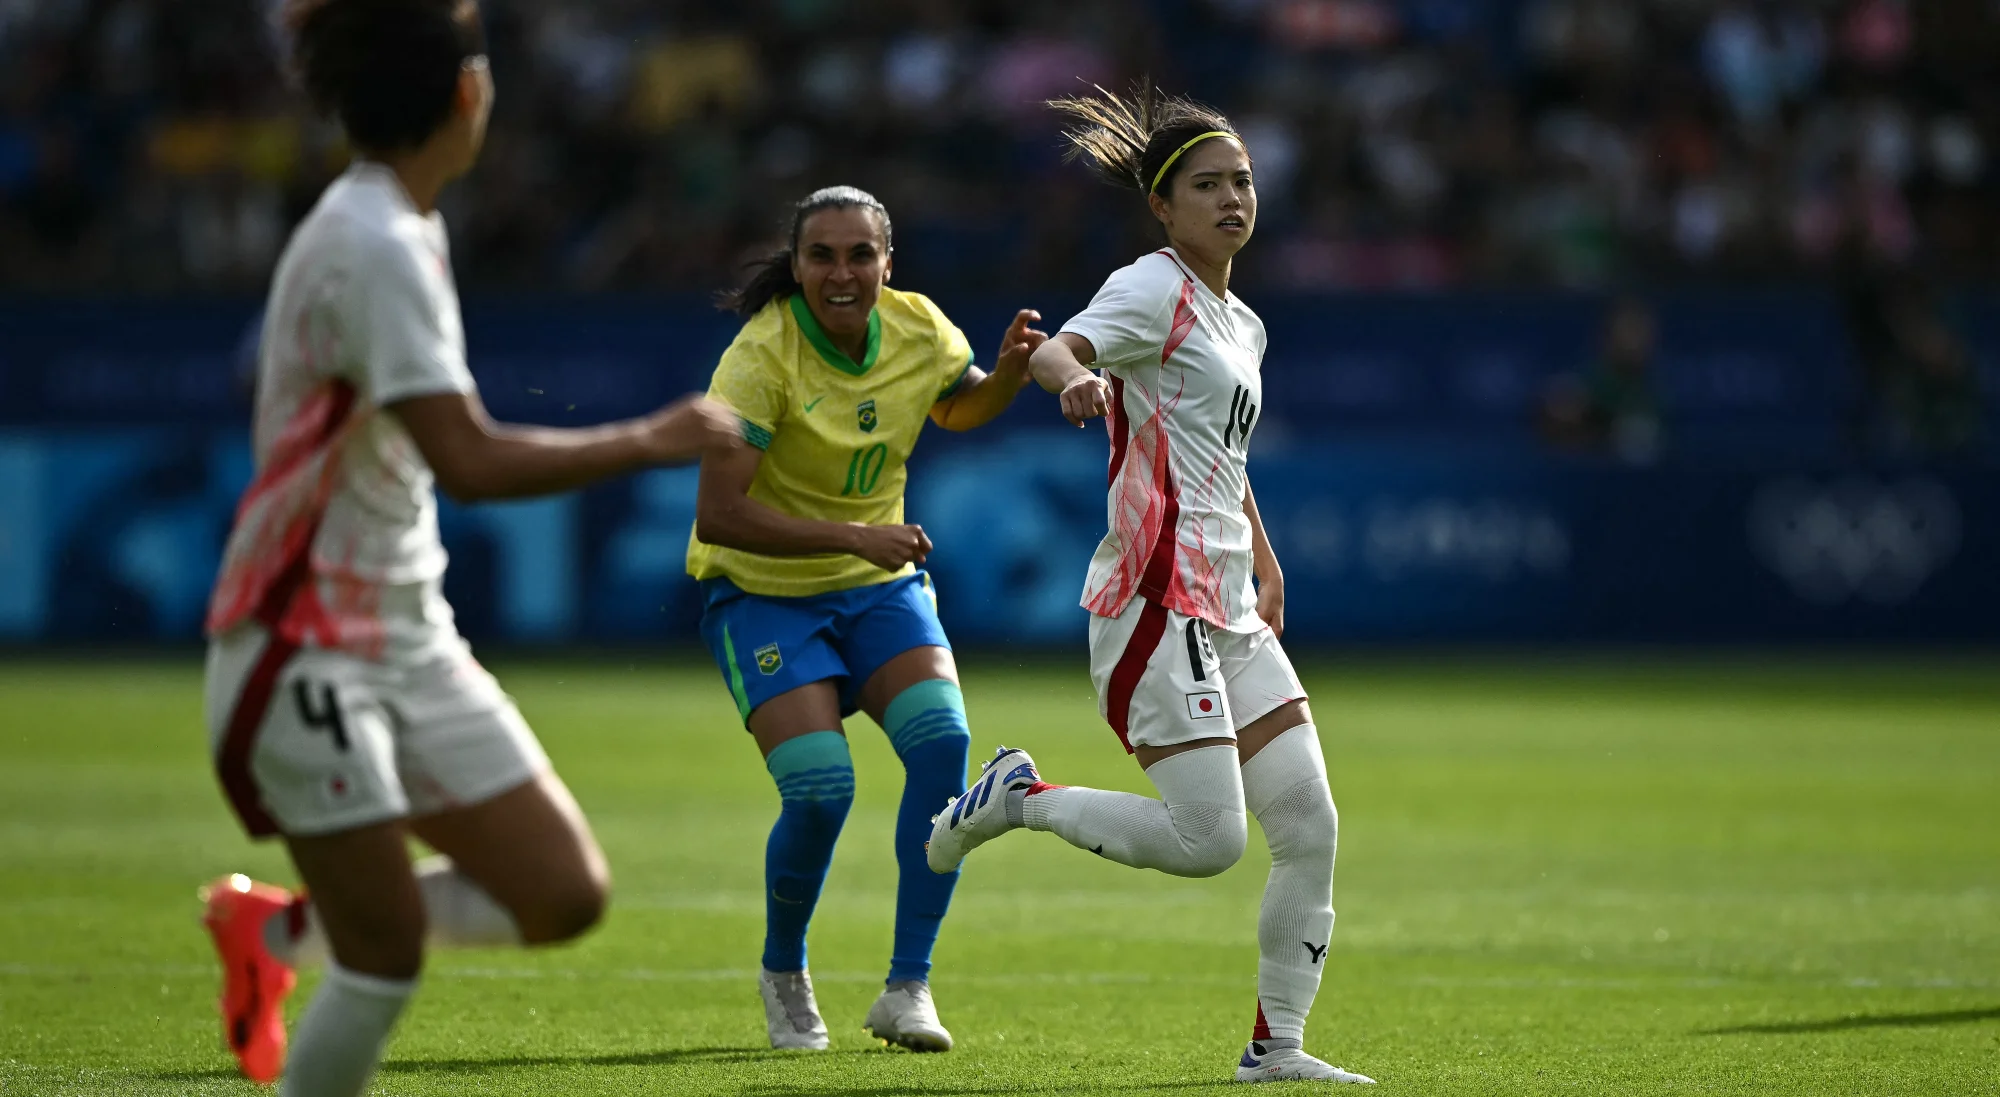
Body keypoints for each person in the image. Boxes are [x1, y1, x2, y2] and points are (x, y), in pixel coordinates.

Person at [195, 1, 738, 1093]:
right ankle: (313, 952)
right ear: (464, 93)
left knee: (561, 893)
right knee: (384, 954)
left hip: (405, 629)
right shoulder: (374, 240)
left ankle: (274, 935)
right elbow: (470, 460)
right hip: (304, 641)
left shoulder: (399, 221)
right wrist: (653, 436)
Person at [926, 84, 1375, 1086]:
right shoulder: (1150, 286)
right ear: (1163, 208)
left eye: (1241, 181)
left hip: (1229, 601)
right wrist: (1070, 380)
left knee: (1308, 824)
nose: (1231, 198)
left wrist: (1263, 555)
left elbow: (1221, 454)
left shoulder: (1242, 322)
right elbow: (1058, 345)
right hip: (1155, 597)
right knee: (1207, 839)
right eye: (1206, 185)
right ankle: (1021, 795)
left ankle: (1276, 1046)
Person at [688, 184, 1046, 1051]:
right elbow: (718, 514)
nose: (841, 273)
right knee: (819, 790)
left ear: (888, 264)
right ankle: (784, 971)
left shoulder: (920, 327)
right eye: (823, 255)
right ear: (798, 263)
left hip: (877, 587)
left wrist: (1001, 376)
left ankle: (907, 986)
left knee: (941, 743)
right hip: (763, 591)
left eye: (860, 255)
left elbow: (955, 407)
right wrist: (853, 534)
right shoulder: (761, 355)